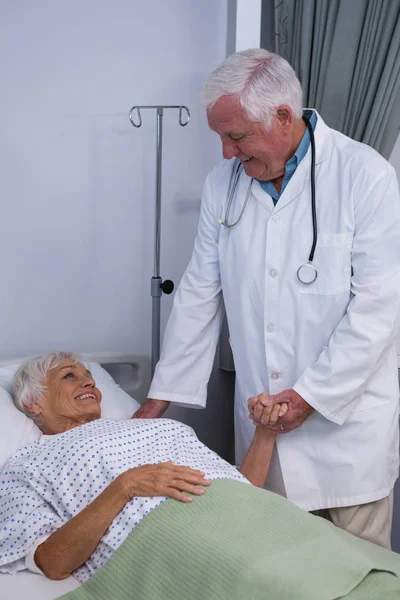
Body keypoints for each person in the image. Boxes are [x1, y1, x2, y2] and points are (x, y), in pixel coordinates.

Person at [136, 48, 400, 549]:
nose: (226, 154)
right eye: (221, 138)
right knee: (273, 569)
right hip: (265, 429)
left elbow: (379, 309)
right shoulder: (225, 185)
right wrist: (158, 399)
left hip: (348, 428)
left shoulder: (364, 176)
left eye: (236, 137)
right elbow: (198, 293)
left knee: (360, 576)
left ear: (283, 116)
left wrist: (309, 397)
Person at [1, 353, 400, 600]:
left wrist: (265, 434)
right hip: (167, 535)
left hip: (249, 513)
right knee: (294, 587)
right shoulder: (27, 465)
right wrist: (125, 486)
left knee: (366, 569)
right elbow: (52, 563)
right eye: (70, 376)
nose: (89, 380)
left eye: (89, 374)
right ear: (33, 402)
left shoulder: (154, 427)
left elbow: (240, 487)